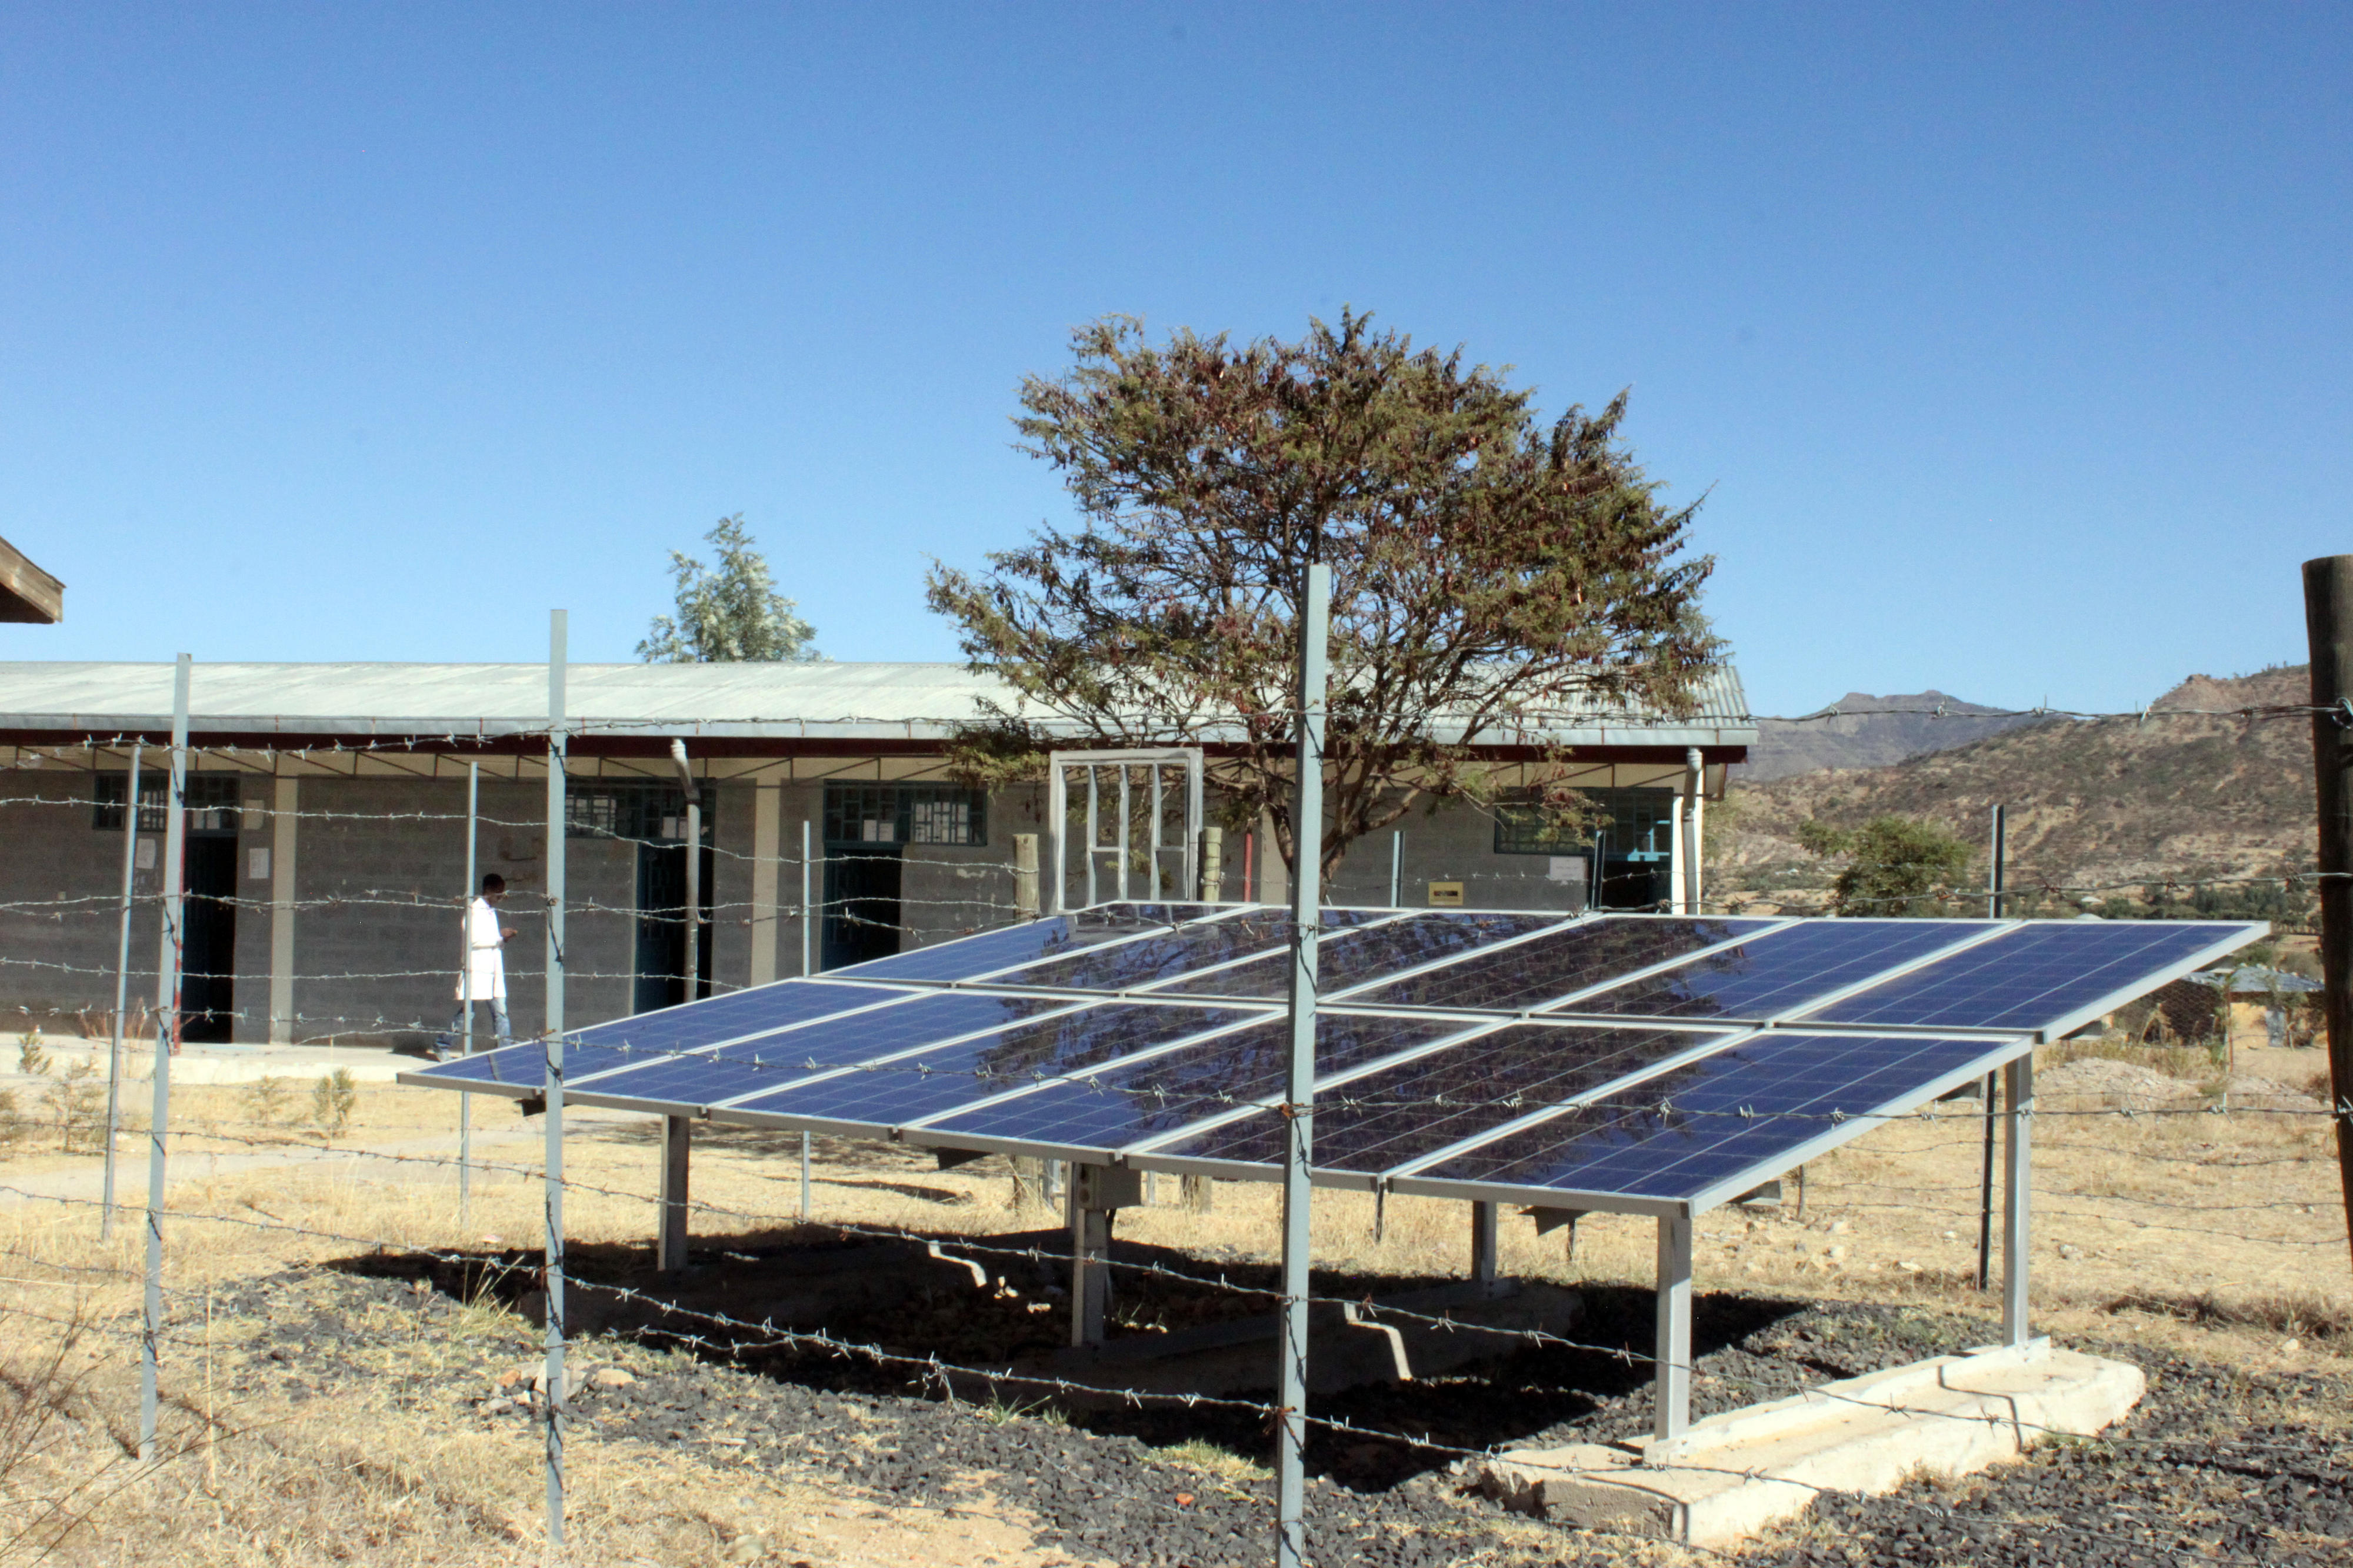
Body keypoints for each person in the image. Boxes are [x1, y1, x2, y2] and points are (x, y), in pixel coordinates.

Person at [436, 873, 518, 1060]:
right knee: (467, 1014)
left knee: (501, 1012)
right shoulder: (474, 910)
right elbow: (474, 940)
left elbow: (494, 941)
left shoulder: (490, 911)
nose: (500, 898)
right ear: (488, 891)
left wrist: (502, 938)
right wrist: (499, 936)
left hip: (493, 971)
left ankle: (505, 1050)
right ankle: (442, 1044)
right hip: (478, 971)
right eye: (498, 894)